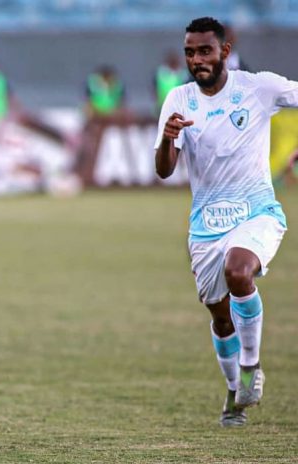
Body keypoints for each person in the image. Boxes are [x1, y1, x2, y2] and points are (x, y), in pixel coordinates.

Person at [155, 17, 297, 427]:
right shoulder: (179, 99)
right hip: (206, 224)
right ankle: (235, 393)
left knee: (239, 272)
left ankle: (252, 368)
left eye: (204, 51)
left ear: (225, 52)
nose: (196, 60)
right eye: (189, 52)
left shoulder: (258, 88)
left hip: (256, 212)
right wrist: (167, 138)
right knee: (219, 316)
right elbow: (164, 170)